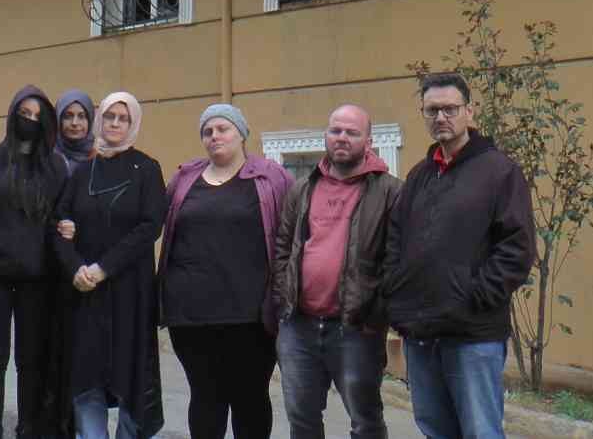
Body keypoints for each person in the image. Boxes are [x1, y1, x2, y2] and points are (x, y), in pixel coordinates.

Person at [383, 73, 533, 439]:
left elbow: (517, 247)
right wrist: (397, 297)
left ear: (469, 111)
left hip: (472, 333)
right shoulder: (419, 175)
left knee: (480, 430)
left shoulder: (499, 172)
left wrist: (475, 297)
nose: (441, 117)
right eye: (432, 110)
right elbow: (395, 240)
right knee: (435, 428)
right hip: (421, 331)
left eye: (450, 108)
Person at [160, 104, 292, 439]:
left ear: (242, 133)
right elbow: (148, 221)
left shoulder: (271, 177)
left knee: (250, 400)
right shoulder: (185, 179)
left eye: (223, 129)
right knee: (205, 399)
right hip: (190, 317)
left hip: (252, 318)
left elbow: (295, 232)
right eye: (208, 131)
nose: (214, 136)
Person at [271, 104, 401, 439]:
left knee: (365, 420)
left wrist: (377, 312)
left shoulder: (389, 191)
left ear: (368, 141)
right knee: (302, 420)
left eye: (352, 132)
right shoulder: (303, 188)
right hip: (298, 326)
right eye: (335, 130)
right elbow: (283, 246)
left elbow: (397, 259)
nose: (341, 138)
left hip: (356, 327)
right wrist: (282, 298)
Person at [0, 85, 68, 439]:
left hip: (37, 279)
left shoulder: (54, 167)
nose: (30, 122)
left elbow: (59, 217)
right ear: (13, 115)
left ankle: (27, 426)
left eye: (37, 117)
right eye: (25, 114)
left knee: (30, 361)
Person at [52, 91, 166, 439]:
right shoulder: (84, 171)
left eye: (124, 118)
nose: (115, 123)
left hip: (130, 293)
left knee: (130, 377)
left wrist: (102, 268)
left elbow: (150, 226)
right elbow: (59, 224)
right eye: (110, 117)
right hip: (86, 294)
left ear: (133, 123)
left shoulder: (147, 169)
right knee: (88, 380)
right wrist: (75, 269)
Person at [54, 89, 95, 177]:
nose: (74, 123)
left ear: (90, 120)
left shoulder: (98, 158)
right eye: (68, 116)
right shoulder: (47, 157)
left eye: (81, 116)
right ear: (58, 120)